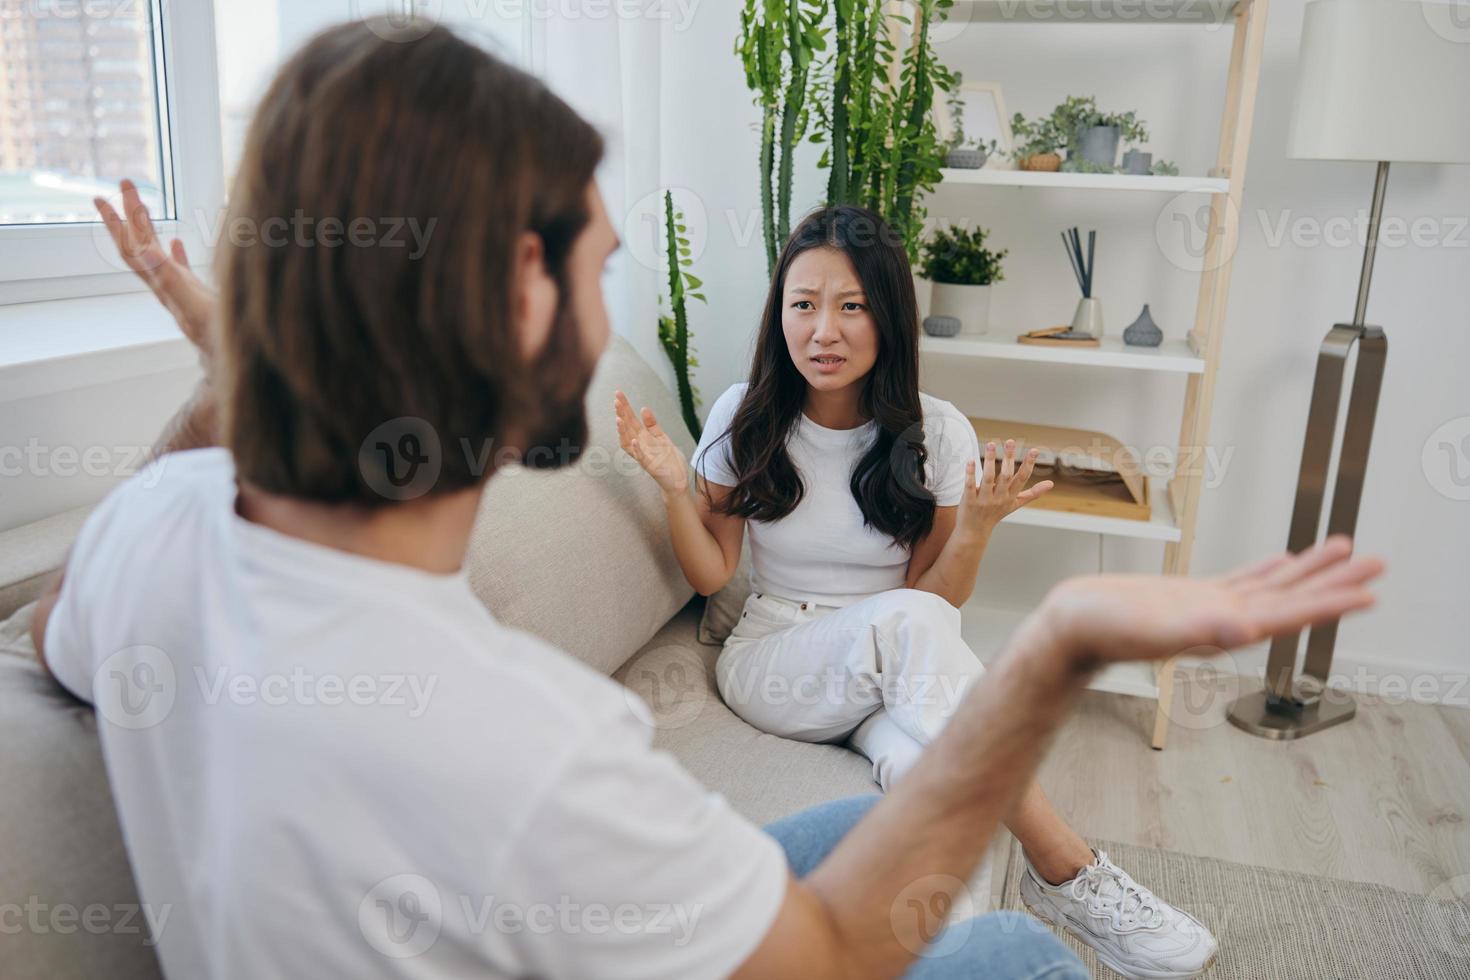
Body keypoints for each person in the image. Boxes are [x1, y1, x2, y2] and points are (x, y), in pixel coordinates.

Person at [31, 20, 1384, 980]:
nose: (613, 305)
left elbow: (54, 635)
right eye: (601, 264)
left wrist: (243, 365)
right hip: (747, 732)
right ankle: (1079, 899)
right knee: (1015, 952)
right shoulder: (532, 739)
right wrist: (1058, 647)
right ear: (517, 292)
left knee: (885, 817)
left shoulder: (153, 539)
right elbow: (833, 956)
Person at [615, 205, 1211, 978]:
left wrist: (979, 527)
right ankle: (1067, 868)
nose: (823, 330)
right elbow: (713, 575)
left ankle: (946, 954)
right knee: (907, 621)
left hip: (892, 668)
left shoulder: (939, 435)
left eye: (851, 306)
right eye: (804, 305)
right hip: (776, 660)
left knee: (928, 782)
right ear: (780, 315)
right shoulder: (746, 416)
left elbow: (940, 599)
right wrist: (672, 488)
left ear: (889, 316)